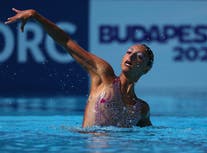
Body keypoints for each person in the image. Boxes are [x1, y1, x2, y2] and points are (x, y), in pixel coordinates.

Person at [5, 8, 154, 128]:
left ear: (146, 69)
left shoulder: (141, 109)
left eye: (139, 56)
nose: (131, 57)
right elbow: (67, 42)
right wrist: (35, 15)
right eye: (129, 52)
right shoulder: (103, 75)